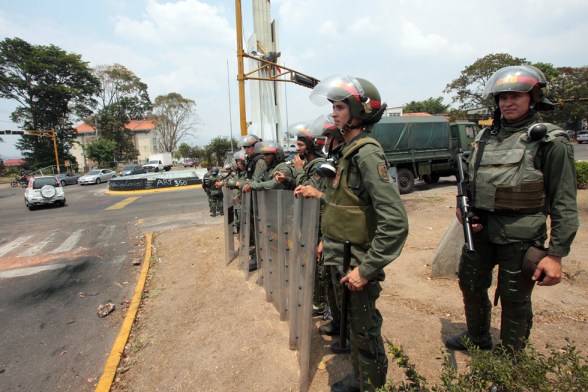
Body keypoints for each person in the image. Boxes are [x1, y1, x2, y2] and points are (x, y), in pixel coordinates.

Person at [445, 65, 579, 353]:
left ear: (533, 98)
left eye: (516, 96)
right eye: (502, 97)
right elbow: (469, 184)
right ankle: (478, 336)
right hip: (480, 232)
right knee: (469, 283)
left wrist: (556, 255)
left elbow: (564, 202)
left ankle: (510, 360)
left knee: (514, 297)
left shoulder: (549, 141)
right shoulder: (484, 138)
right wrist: (462, 209)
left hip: (520, 236)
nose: (507, 102)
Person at [294, 75, 409, 392]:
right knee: (353, 325)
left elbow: (395, 221)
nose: (334, 113)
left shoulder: (366, 154)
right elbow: (341, 205)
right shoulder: (348, 152)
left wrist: (367, 269)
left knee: (364, 328)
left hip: (357, 259)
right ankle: (362, 379)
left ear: (360, 111)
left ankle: (373, 384)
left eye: (341, 106)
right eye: (333, 106)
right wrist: (325, 241)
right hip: (339, 254)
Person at [236, 134, 266, 272]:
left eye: (249, 147)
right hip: (253, 200)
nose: (246, 149)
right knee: (254, 228)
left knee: (259, 229)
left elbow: (255, 180)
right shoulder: (252, 160)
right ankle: (256, 253)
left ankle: (260, 257)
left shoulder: (260, 161)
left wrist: (238, 183)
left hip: (260, 201)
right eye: (245, 147)